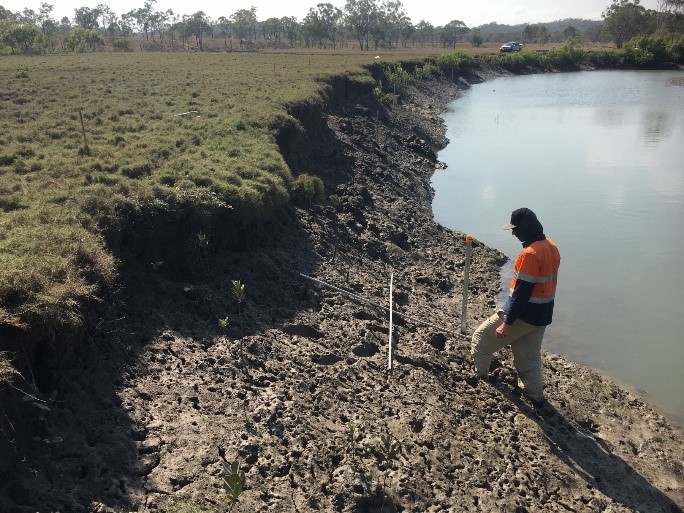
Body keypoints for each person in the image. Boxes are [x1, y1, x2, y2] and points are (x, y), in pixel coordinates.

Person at [470, 207, 561, 406]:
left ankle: (481, 380)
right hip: (542, 316)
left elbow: (521, 294)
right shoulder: (551, 247)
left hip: (524, 316)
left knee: (480, 341)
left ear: (525, 228)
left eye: (515, 228)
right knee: (528, 360)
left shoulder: (529, 254)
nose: (513, 232)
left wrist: (507, 323)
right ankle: (535, 396)